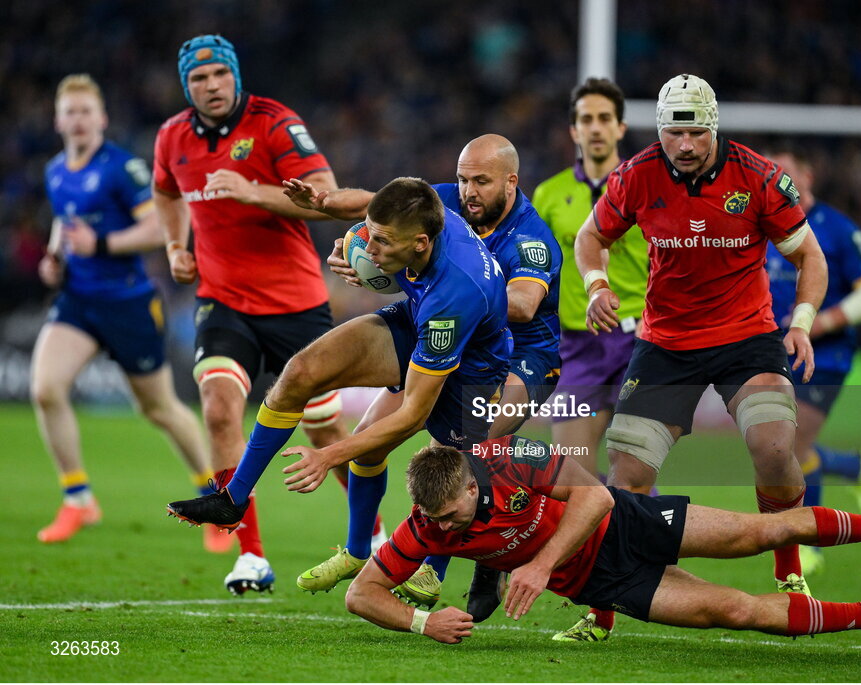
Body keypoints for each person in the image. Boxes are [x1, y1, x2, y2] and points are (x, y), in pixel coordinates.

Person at [166, 178, 512, 600]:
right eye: (371, 234)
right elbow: (369, 201)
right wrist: (327, 205)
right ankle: (237, 500)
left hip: (474, 366)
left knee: (449, 475)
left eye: (381, 242)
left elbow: (412, 416)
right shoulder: (421, 208)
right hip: (418, 319)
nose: (371, 249)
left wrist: (325, 457)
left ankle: (443, 569)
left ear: (420, 243)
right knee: (300, 372)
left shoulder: (454, 295)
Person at [575, 73, 830, 638]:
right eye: (673, 133)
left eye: (694, 133)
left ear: (713, 128)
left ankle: (788, 571)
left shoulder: (761, 178)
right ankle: (602, 611)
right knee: (628, 474)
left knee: (774, 445)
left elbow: (810, 258)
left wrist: (803, 325)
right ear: (660, 130)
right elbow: (589, 239)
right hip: (667, 344)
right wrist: (597, 286)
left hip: (747, 337)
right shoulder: (636, 175)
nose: (684, 145)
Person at [345, 434, 861, 657]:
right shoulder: (427, 523)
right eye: (436, 522)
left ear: (469, 484)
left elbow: (596, 498)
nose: (446, 533)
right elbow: (361, 595)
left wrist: (538, 562)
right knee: (735, 611)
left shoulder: (509, 457)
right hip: (604, 582)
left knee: (767, 530)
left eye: (454, 517)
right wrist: (422, 622)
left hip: (627, 524)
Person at [286, 134, 562, 604]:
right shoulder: (450, 202)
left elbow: (521, 304)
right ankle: (356, 550)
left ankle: (456, 567)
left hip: (522, 355)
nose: (468, 191)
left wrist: (447, 275)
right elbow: (378, 203)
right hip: (447, 336)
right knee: (368, 441)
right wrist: (329, 203)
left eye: (481, 181)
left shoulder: (531, 237)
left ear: (511, 182)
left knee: (464, 452)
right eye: (462, 179)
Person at [152, 35, 372, 595]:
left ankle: (371, 536)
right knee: (220, 408)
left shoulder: (274, 124)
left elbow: (324, 194)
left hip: (295, 304)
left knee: (326, 431)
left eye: (220, 75)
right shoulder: (172, 137)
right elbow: (166, 194)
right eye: (199, 79)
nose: (212, 86)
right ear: (188, 87)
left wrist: (254, 191)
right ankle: (250, 555)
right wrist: (177, 248)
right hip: (223, 302)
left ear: (235, 75)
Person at [33, 74, 219, 550]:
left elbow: (159, 228)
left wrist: (103, 243)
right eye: (69, 112)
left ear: (101, 119)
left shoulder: (122, 169)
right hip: (78, 300)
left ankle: (214, 499)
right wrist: (54, 261)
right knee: (46, 389)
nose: (76, 120)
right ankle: (78, 498)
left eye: (84, 111)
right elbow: (64, 223)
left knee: (158, 409)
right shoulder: (56, 170)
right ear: (58, 120)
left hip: (128, 303)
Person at [532, 77, 649, 640]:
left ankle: (612, 605)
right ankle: (602, 601)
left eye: (606, 117)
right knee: (573, 472)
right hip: (576, 349)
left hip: (640, 345)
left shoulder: (649, 188)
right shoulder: (550, 194)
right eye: (587, 118)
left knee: (631, 478)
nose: (596, 127)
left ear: (620, 127)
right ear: (574, 129)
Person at [764, 149, 861, 575]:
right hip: (774, 350)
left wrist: (824, 322)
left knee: (794, 447)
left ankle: (807, 544)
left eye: (786, 172)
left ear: (807, 174)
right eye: (771, 174)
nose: (779, 180)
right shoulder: (764, 226)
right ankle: (855, 466)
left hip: (827, 352)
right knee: (780, 446)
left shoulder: (836, 228)